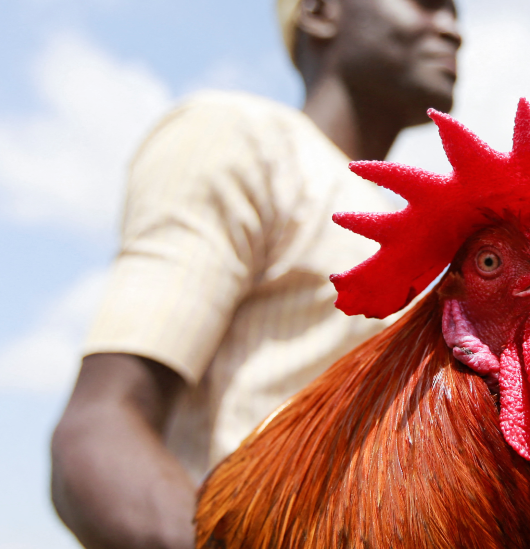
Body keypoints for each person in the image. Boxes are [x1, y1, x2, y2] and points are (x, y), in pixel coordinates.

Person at [50, 0, 461, 547]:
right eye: (425, 3)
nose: (454, 30)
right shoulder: (247, 139)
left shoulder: (415, 230)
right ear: (320, 12)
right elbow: (101, 424)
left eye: (455, 12)